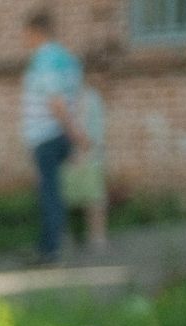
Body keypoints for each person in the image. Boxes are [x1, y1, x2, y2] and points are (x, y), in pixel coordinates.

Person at [20, 9, 89, 263]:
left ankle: (51, 250)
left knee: (49, 192)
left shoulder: (44, 59)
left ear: (37, 32)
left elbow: (56, 102)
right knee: (57, 190)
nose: (24, 40)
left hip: (47, 134)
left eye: (26, 34)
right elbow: (76, 97)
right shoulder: (67, 58)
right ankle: (56, 243)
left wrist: (74, 133)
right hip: (59, 134)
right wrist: (76, 132)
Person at [62, 80, 110, 252]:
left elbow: (97, 128)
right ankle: (62, 238)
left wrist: (85, 150)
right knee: (62, 199)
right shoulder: (61, 98)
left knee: (94, 199)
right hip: (65, 158)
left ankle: (98, 237)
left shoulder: (91, 98)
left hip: (90, 155)